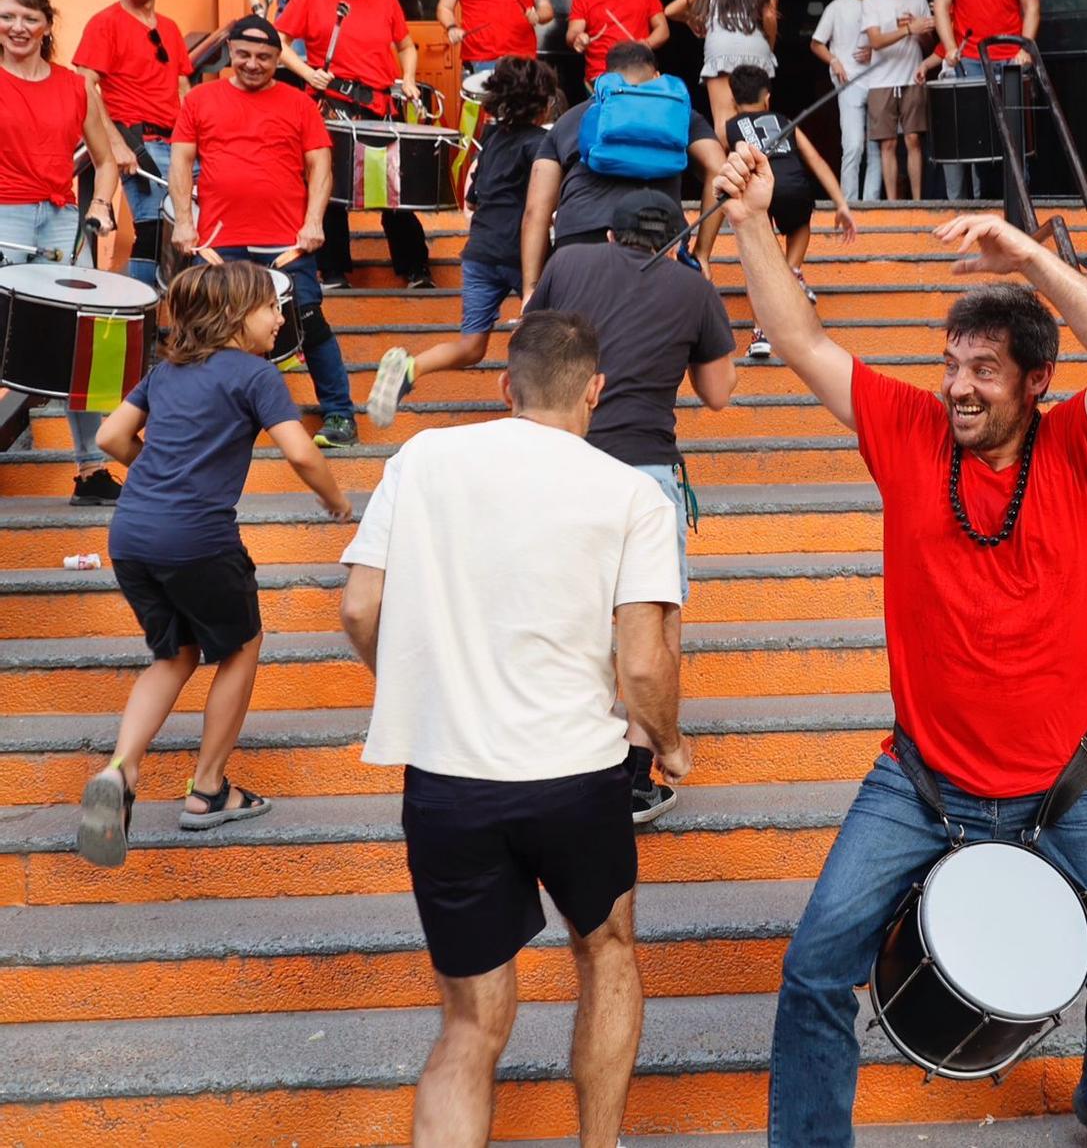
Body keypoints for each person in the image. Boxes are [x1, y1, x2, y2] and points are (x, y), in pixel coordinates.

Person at [711, 137, 1087, 1148]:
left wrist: (1027, 256)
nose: (959, 386)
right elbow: (801, 342)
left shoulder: (1077, 448)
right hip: (919, 779)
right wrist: (749, 220)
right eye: (950, 365)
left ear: (1036, 381)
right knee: (816, 960)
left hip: (1057, 779)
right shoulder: (911, 429)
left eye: (983, 370)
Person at [339, 309, 691, 1146]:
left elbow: (359, 607)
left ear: (506, 387)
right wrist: (669, 743)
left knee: (469, 1026)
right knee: (606, 953)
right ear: (596, 393)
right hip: (575, 779)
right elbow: (643, 663)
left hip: (449, 783)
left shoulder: (423, 457)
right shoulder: (631, 492)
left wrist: (423, 687)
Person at [76, 262, 351, 868]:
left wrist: (154, 472)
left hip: (132, 535)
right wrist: (336, 501)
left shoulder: (166, 372)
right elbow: (302, 452)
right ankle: (208, 789)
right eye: (270, 308)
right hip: (197, 539)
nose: (281, 318)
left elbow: (110, 439)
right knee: (243, 644)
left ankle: (120, 770)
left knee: (173, 654)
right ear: (235, 317)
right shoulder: (256, 375)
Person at [522, 195, 733, 821]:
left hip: (561, 458)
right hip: (645, 469)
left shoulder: (569, 261)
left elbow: (530, 348)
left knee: (558, 613)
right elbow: (719, 392)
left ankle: (555, 754)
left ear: (612, 233)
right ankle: (639, 776)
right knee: (656, 620)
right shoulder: (693, 286)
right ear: (679, 241)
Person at [170, 14, 357, 449]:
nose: (253, 64)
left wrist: (314, 222)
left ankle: (340, 415)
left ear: (279, 59)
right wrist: (184, 221)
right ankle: (204, 420)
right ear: (230, 53)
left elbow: (321, 167)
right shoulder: (200, 99)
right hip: (219, 240)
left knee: (308, 321)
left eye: (265, 57)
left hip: (287, 241)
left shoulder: (300, 104)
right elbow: (180, 162)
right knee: (208, 330)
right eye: (244, 55)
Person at [368, 56, 557, 428]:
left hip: (480, 252)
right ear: (543, 104)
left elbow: (473, 198)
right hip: (521, 253)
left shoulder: (492, 137)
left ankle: (411, 367)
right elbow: (542, 202)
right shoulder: (541, 144)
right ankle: (530, 413)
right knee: (541, 337)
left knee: (472, 347)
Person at [0, 0, 125, 505]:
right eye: (7, 17)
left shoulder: (75, 86)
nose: (17, 28)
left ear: (47, 25)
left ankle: (91, 471)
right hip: (4, 217)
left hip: (61, 220)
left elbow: (106, 162)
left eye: (29, 18)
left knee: (83, 347)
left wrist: (100, 205)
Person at [278, 0, 434, 290]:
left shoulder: (385, 0)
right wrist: (306, 73)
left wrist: (408, 78)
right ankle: (332, 270)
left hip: (379, 105)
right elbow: (279, 42)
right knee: (328, 187)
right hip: (330, 104)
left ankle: (414, 268)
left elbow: (407, 46)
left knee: (394, 189)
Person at [520, 41, 727, 298]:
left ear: (605, 78)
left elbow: (536, 210)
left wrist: (531, 287)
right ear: (657, 78)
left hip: (579, 239)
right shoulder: (681, 115)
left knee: (574, 332)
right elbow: (719, 170)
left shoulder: (571, 119)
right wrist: (702, 253)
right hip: (657, 237)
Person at [696, 65, 857, 357]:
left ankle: (760, 334)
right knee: (799, 227)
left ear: (733, 100)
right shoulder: (784, 120)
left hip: (760, 190)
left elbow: (722, 169)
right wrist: (841, 203)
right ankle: (793, 270)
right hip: (795, 187)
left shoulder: (729, 128)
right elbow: (816, 160)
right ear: (767, 98)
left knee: (761, 260)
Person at [74, 0, 195, 290]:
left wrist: (196, 140)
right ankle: (143, 316)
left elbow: (183, 86)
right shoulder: (105, 23)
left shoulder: (169, 27)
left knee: (187, 229)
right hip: (140, 143)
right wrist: (114, 143)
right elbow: (84, 84)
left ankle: (173, 314)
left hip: (179, 144)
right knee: (154, 227)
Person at [933, 0, 1040, 204]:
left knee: (1016, 137)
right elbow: (941, 7)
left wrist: (1025, 47)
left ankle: (1021, 206)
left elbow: (1031, 7)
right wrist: (950, 48)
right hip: (971, 61)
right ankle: (988, 208)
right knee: (979, 140)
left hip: (1010, 59)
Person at [665, 0, 781, 127]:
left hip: (721, 49)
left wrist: (691, 21)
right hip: (756, 50)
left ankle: (728, 156)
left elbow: (670, 10)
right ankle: (754, 156)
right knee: (756, 118)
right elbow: (769, 16)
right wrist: (769, 45)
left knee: (723, 119)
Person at [860, 0, 935, 201]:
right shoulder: (871, 3)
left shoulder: (919, 0)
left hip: (912, 77)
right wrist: (907, 29)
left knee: (914, 139)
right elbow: (876, 41)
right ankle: (892, 203)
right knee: (888, 143)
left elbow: (929, 46)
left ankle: (917, 201)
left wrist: (919, 29)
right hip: (881, 81)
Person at [810, 0, 882, 202]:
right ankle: (848, 203)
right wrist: (835, 61)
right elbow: (816, 43)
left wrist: (875, 47)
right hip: (848, 80)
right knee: (853, 146)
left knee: (877, 148)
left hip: (881, 79)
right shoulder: (837, 6)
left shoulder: (882, 2)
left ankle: (871, 204)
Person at [922, 0, 969, 202]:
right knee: (952, 145)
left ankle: (976, 205)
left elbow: (960, 33)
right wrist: (927, 63)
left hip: (971, 69)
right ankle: (957, 205)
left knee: (974, 144)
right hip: (950, 73)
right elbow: (946, 41)